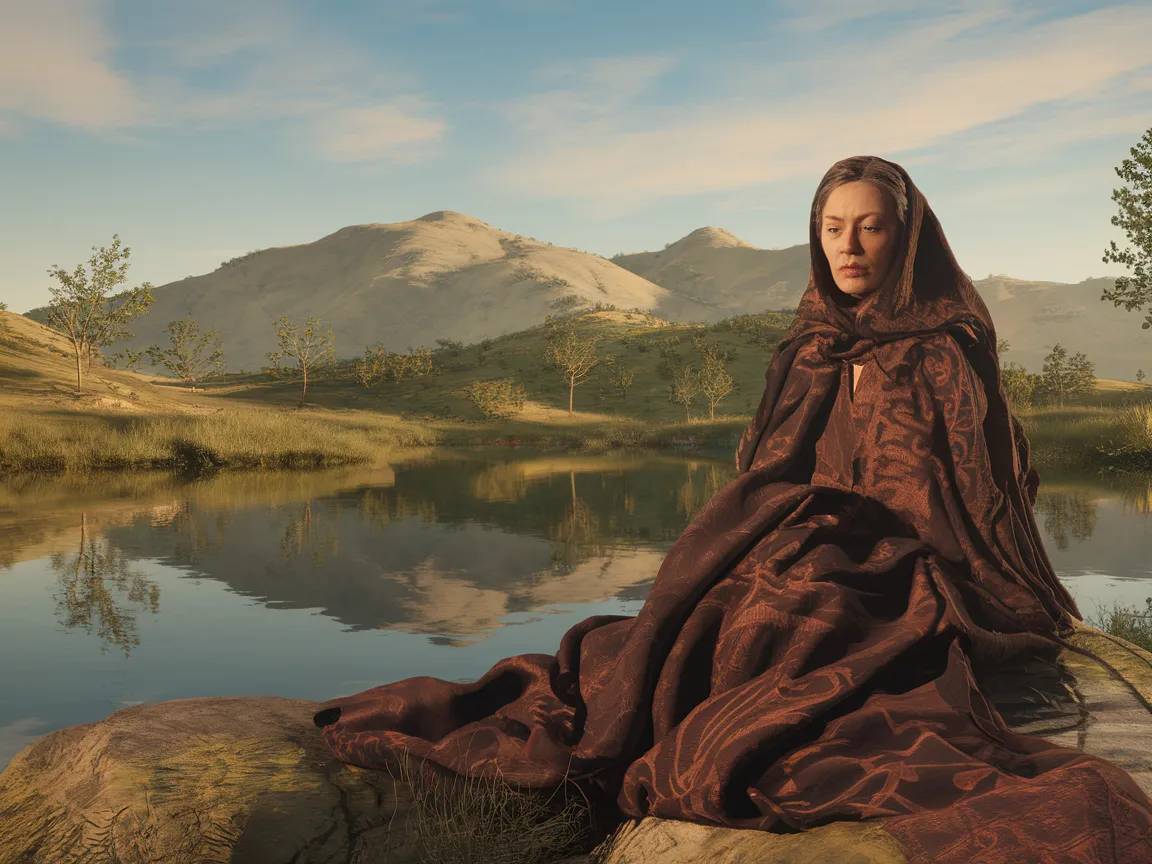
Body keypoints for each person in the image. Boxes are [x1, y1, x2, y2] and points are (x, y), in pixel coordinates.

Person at [315, 156, 1152, 862]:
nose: (850, 246)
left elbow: (975, 496)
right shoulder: (810, 342)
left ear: (906, 235)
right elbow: (765, 472)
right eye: (833, 226)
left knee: (810, 608)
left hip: (911, 561)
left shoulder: (944, 350)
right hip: (806, 538)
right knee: (693, 610)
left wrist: (872, 544)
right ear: (814, 235)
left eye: (871, 226)